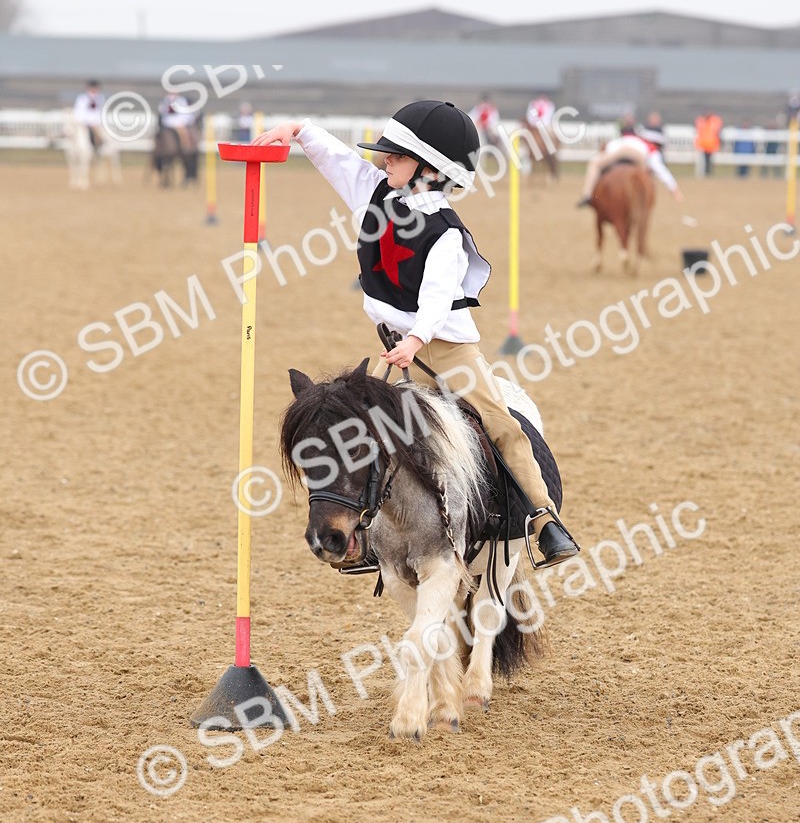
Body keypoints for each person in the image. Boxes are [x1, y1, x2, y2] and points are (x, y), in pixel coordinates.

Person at [253, 100, 579, 567]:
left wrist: (416, 339)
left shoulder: (446, 233)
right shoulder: (376, 194)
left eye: (397, 156)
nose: (385, 161)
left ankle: (546, 522)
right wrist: (299, 129)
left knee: (503, 426)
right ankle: (373, 537)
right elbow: (340, 161)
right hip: (399, 348)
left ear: (430, 169)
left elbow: (437, 297)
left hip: (447, 351)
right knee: (373, 435)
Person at [577, 125, 683, 206]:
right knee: (645, 176)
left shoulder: (619, 140)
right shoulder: (648, 145)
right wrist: (674, 189)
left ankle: (588, 195)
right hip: (637, 155)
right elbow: (660, 169)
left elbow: (607, 149)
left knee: (594, 165)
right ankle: (644, 199)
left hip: (617, 151)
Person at [72, 79, 106, 150]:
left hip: (97, 124)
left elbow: (100, 112)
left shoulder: (101, 98)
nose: (94, 90)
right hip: (84, 123)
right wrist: (86, 122)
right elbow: (78, 112)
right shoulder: (82, 98)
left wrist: (96, 123)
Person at [694, 111, 723, 176]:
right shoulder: (701, 121)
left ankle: (709, 172)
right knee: (704, 160)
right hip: (703, 144)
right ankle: (705, 173)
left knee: (711, 160)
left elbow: (717, 132)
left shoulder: (715, 121)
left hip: (712, 144)